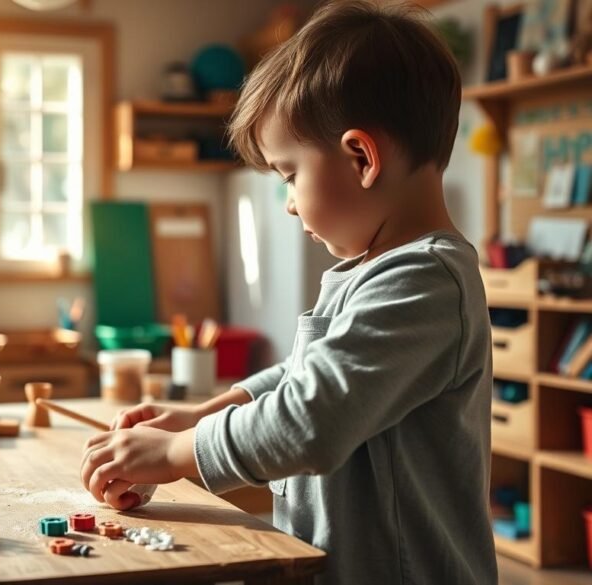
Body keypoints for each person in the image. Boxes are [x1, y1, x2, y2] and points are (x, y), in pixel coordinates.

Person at [80, 2, 497, 583]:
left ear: (361, 157)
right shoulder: (372, 270)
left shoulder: (424, 282)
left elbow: (311, 419)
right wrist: (203, 415)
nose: (291, 202)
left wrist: (179, 454)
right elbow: (304, 377)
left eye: (289, 174)